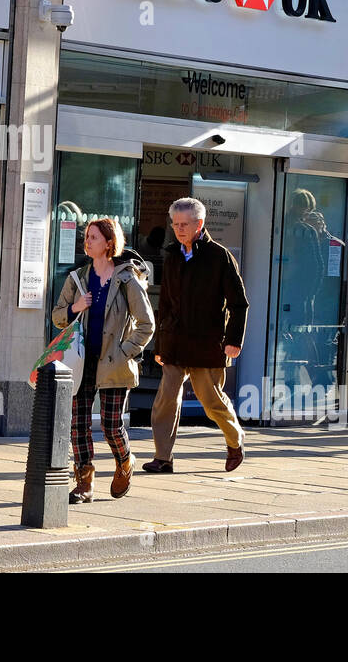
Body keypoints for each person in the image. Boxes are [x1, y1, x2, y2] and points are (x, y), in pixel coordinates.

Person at [51, 218, 155, 503]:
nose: (87, 242)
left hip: (114, 362)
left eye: (94, 237)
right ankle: (84, 482)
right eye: (86, 237)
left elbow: (147, 324)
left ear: (109, 243)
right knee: (78, 423)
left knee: (111, 425)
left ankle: (125, 461)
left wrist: (124, 353)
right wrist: (75, 307)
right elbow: (58, 317)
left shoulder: (127, 279)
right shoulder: (77, 278)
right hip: (82, 362)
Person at [146, 197, 249, 474]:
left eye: (184, 224)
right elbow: (165, 303)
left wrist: (233, 341)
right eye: (175, 224)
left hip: (207, 344)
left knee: (211, 401)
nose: (178, 229)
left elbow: (239, 303)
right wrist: (161, 344)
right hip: (175, 344)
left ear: (199, 224)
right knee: (165, 399)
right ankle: (163, 457)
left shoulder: (219, 256)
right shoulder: (172, 255)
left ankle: (235, 440)